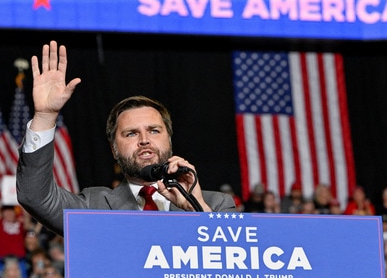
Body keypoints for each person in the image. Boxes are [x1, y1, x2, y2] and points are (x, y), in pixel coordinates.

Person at [16, 40, 236, 237]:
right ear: (113, 149)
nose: (144, 140)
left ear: (169, 139)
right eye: (131, 133)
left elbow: (234, 264)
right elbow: (34, 196)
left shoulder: (216, 206)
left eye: (154, 130)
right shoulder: (94, 207)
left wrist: (196, 209)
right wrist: (45, 116)